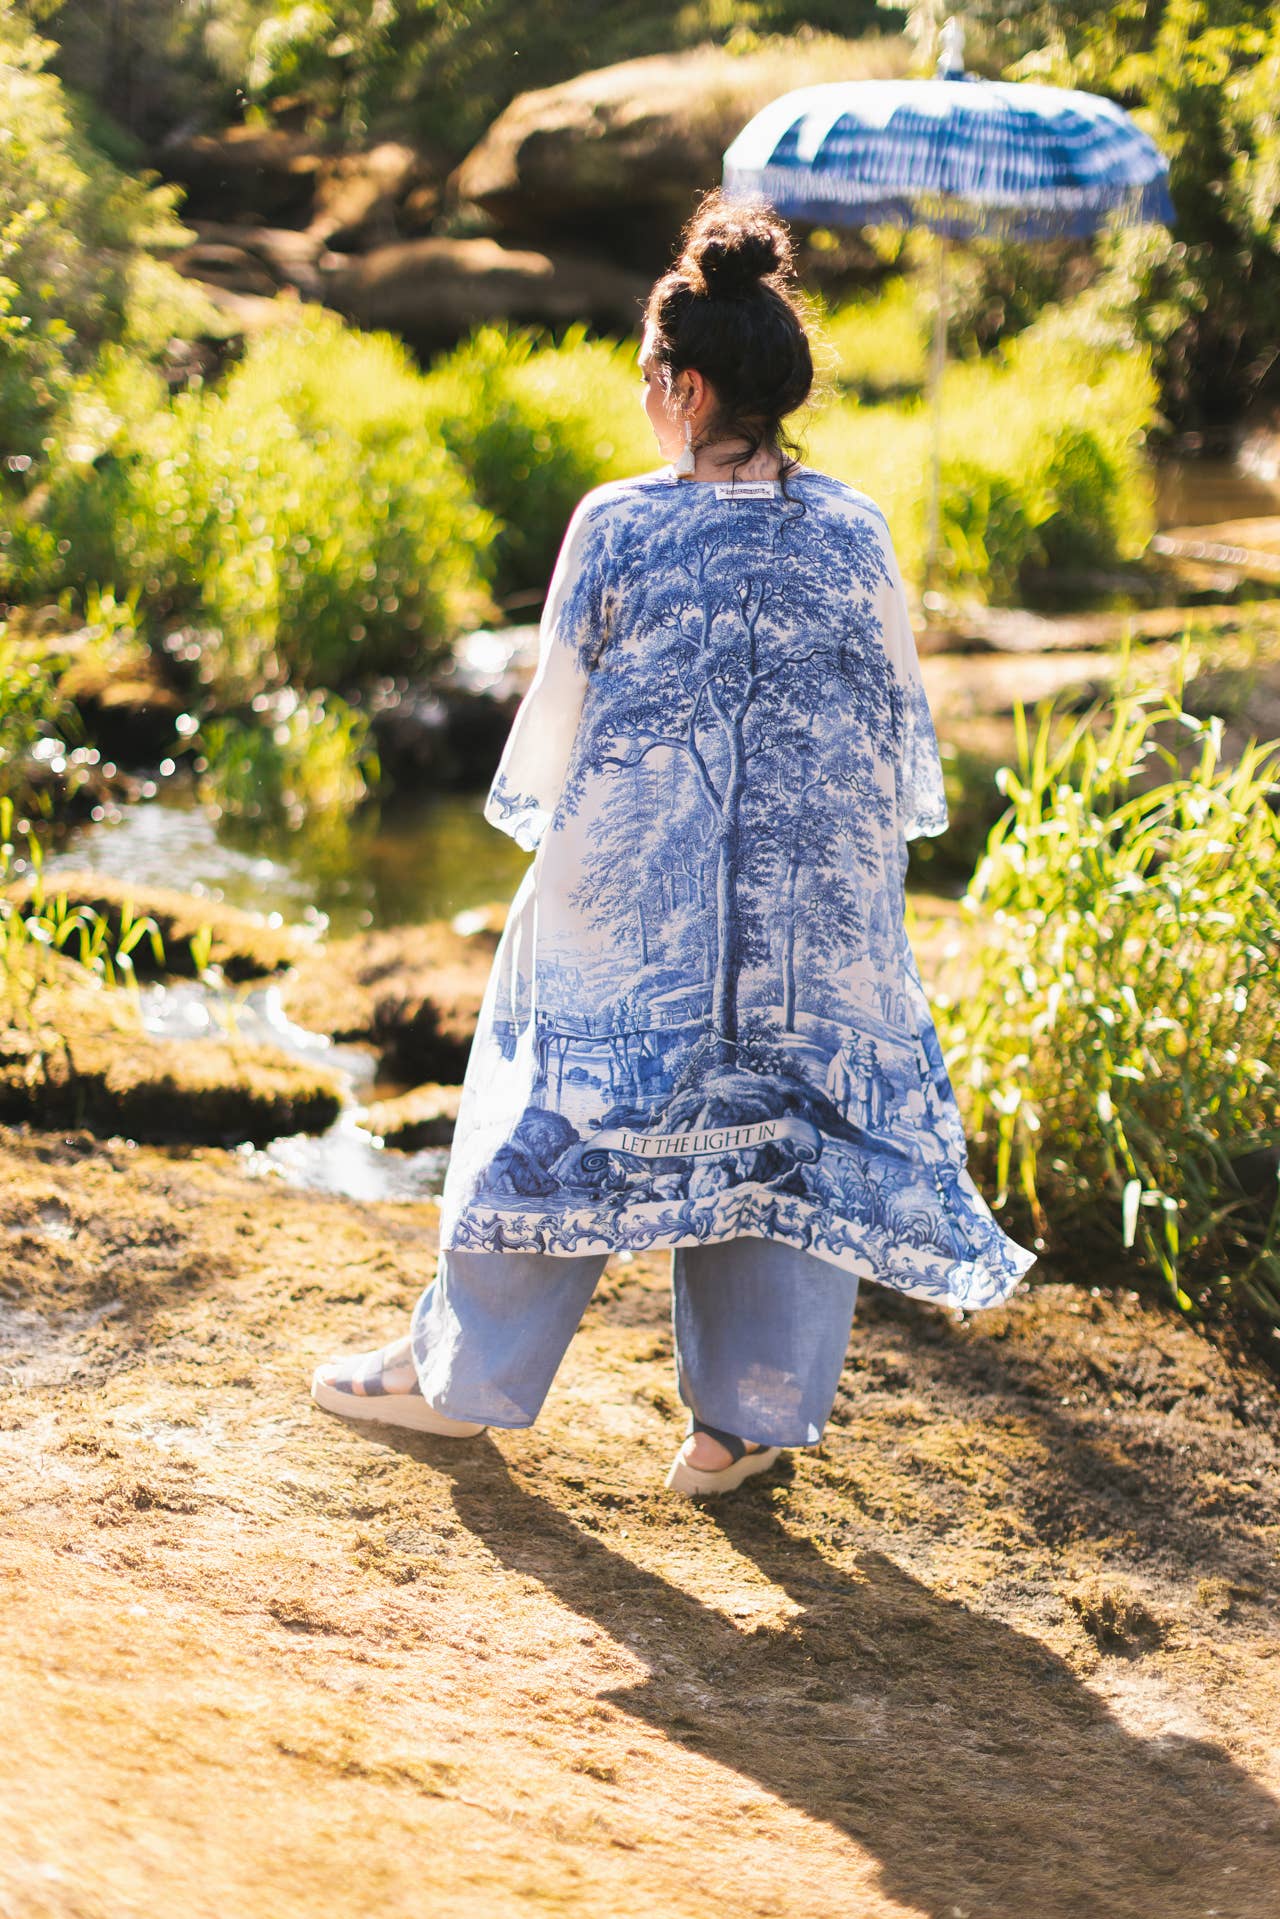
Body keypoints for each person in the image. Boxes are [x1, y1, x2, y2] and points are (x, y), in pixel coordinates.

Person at [311, 191, 1036, 1495]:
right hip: (810, 912)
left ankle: (460, 1380)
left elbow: (557, 730)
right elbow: (893, 740)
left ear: (689, 388)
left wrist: (568, 854)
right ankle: (744, 1425)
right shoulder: (856, 529)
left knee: (552, 1103)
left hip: (635, 900)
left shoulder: (620, 523)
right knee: (782, 1135)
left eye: (653, 372)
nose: (647, 391)